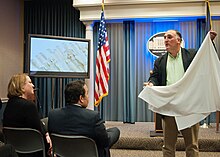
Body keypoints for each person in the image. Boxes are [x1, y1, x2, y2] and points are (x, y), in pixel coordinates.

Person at [145, 30, 217, 157]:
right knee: (168, 146)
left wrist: (209, 42)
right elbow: (155, 77)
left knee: (192, 145)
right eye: (164, 37)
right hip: (169, 107)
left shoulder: (192, 55)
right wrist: (151, 83)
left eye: (169, 37)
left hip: (189, 106)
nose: (166, 40)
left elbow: (206, 59)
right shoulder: (160, 61)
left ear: (179, 40)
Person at [48, 80, 120, 157]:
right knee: (113, 133)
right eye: (87, 94)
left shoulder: (53, 115)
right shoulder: (92, 117)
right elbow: (105, 142)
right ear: (81, 98)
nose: (88, 97)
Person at [3, 73, 52, 157]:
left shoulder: (10, 104)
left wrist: (46, 133)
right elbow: (38, 131)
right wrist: (49, 146)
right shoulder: (29, 106)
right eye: (30, 82)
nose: (33, 85)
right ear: (22, 87)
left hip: (15, 150)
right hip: (35, 151)